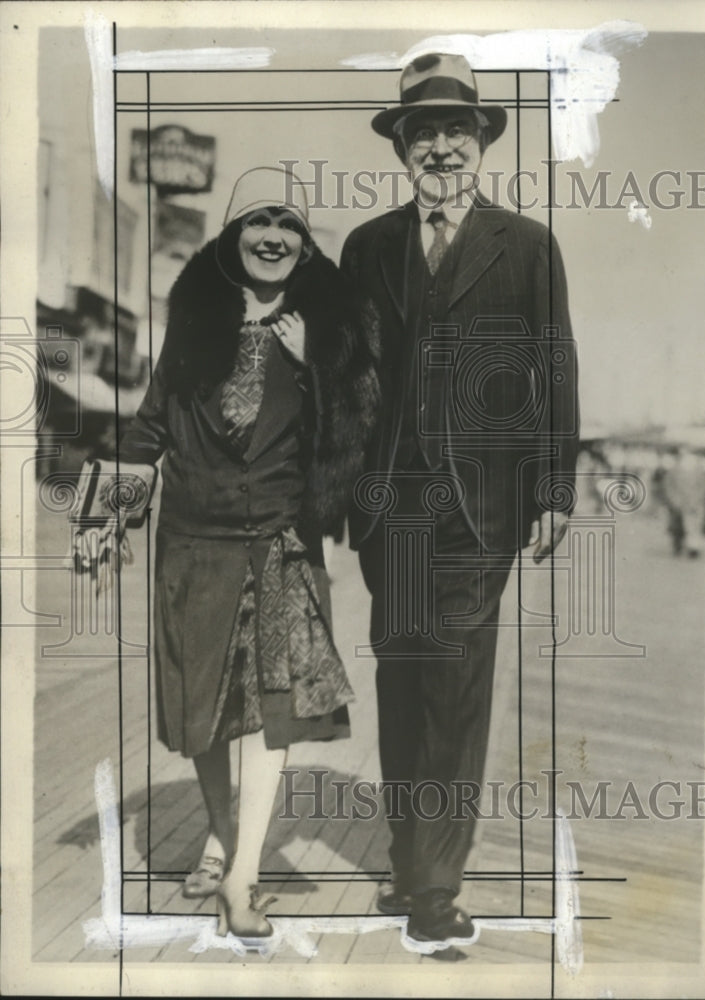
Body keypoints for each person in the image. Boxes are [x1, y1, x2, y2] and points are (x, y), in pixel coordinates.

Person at [85, 166, 379, 938]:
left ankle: (242, 877)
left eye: (288, 223)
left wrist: (319, 358)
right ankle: (223, 833)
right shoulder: (196, 317)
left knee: (273, 714)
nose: (273, 236)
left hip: (281, 543)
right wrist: (102, 516)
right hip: (193, 544)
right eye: (258, 221)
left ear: (304, 241)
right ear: (232, 233)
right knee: (204, 714)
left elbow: (358, 431)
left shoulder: (331, 325)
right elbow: (148, 426)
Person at [340, 53, 579, 946]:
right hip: (392, 509)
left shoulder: (527, 246)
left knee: (455, 689)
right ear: (402, 147)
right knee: (403, 684)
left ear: (481, 144)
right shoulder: (368, 248)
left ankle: (436, 885)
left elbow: (554, 361)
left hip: (482, 507)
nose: (441, 147)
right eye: (423, 132)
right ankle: (411, 867)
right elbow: (349, 374)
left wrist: (554, 484)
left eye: (457, 131)